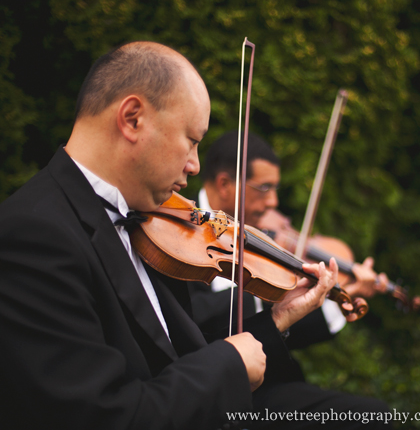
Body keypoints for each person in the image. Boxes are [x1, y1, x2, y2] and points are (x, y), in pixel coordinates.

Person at [0, 41, 343, 430]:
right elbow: (105, 416)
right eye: (192, 141)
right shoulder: (32, 237)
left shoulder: (150, 223)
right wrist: (229, 366)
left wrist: (277, 317)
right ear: (132, 119)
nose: (196, 165)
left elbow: (177, 349)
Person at [190, 130, 393, 428]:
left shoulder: (255, 232)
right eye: (264, 187)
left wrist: (338, 296)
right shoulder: (181, 231)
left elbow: (279, 329)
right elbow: (199, 317)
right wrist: (263, 295)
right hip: (208, 392)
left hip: (266, 386)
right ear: (225, 185)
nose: (273, 202)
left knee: (374, 415)